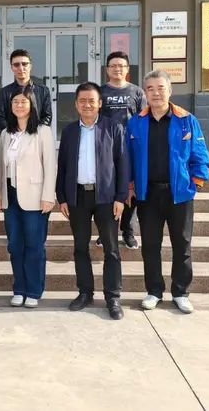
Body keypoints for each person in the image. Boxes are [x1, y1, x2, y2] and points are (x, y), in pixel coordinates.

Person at [127, 70, 209, 315]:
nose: (155, 93)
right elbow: (127, 158)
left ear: (170, 91)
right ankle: (154, 291)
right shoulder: (136, 122)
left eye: (160, 88)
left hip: (179, 194)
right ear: (145, 93)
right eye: (150, 88)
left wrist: (195, 183)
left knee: (182, 244)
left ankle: (180, 292)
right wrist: (130, 186)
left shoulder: (187, 120)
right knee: (150, 245)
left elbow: (200, 156)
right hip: (147, 194)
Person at [56, 82, 130, 320]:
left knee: (111, 249)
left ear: (99, 103)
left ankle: (113, 297)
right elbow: (62, 166)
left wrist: (121, 197)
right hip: (77, 197)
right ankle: (85, 292)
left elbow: (123, 164)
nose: (87, 105)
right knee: (80, 247)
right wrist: (62, 197)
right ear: (76, 105)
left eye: (91, 101)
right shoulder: (69, 132)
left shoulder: (113, 127)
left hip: (106, 197)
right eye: (82, 101)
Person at [0, 85, 56, 309]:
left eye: (23, 101)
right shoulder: (6, 133)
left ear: (32, 105)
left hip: (35, 196)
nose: (19, 105)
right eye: (15, 102)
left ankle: (33, 290)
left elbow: (50, 166)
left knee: (34, 245)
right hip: (10, 195)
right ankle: (19, 289)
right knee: (14, 245)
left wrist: (48, 195)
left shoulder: (42, 131)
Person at [99, 51, 146, 250]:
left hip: (131, 149)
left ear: (127, 69)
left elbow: (143, 121)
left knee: (129, 190)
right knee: (107, 189)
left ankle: (127, 230)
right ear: (107, 69)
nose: (117, 69)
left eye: (121, 66)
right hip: (106, 149)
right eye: (113, 66)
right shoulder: (100, 92)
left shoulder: (137, 92)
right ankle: (106, 231)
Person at [0, 49, 52, 131]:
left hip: (37, 136)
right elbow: (1, 118)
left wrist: (34, 133)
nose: (21, 68)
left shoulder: (43, 90)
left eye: (24, 64)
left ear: (30, 66)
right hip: (13, 136)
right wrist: (15, 133)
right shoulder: (4, 92)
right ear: (12, 68)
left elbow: (47, 117)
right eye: (16, 65)